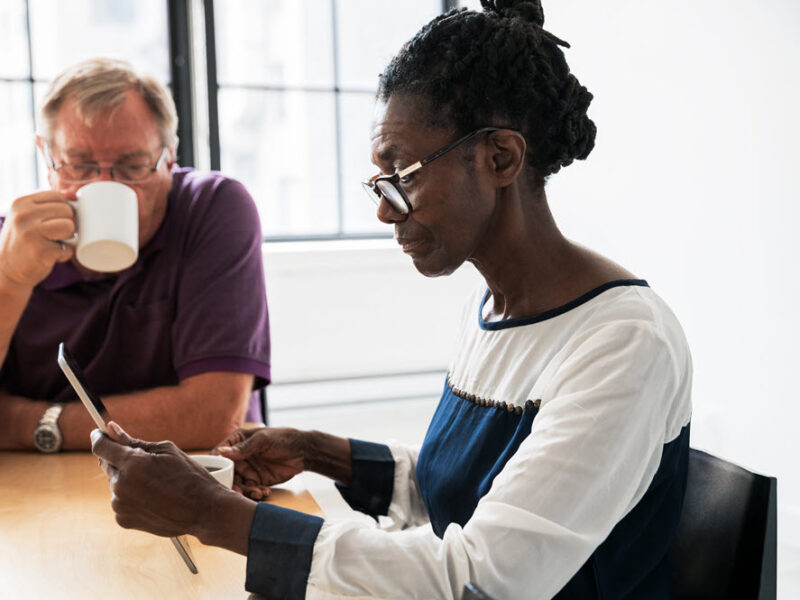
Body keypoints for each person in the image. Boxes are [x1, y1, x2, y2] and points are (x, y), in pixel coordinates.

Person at [91, 1, 692, 598]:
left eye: (401, 174)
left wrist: (210, 514)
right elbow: (454, 493)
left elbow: (481, 580)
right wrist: (314, 451)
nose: (384, 208)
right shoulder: (491, 311)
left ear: (500, 158)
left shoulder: (622, 343)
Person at [0, 58, 270, 452]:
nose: (104, 185)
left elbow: (213, 417)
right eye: (79, 165)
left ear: (169, 157)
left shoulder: (211, 210)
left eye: (131, 167)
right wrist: (11, 282)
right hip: (38, 494)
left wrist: (27, 425)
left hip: (197, 484)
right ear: (47, 158)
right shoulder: (12, 241)